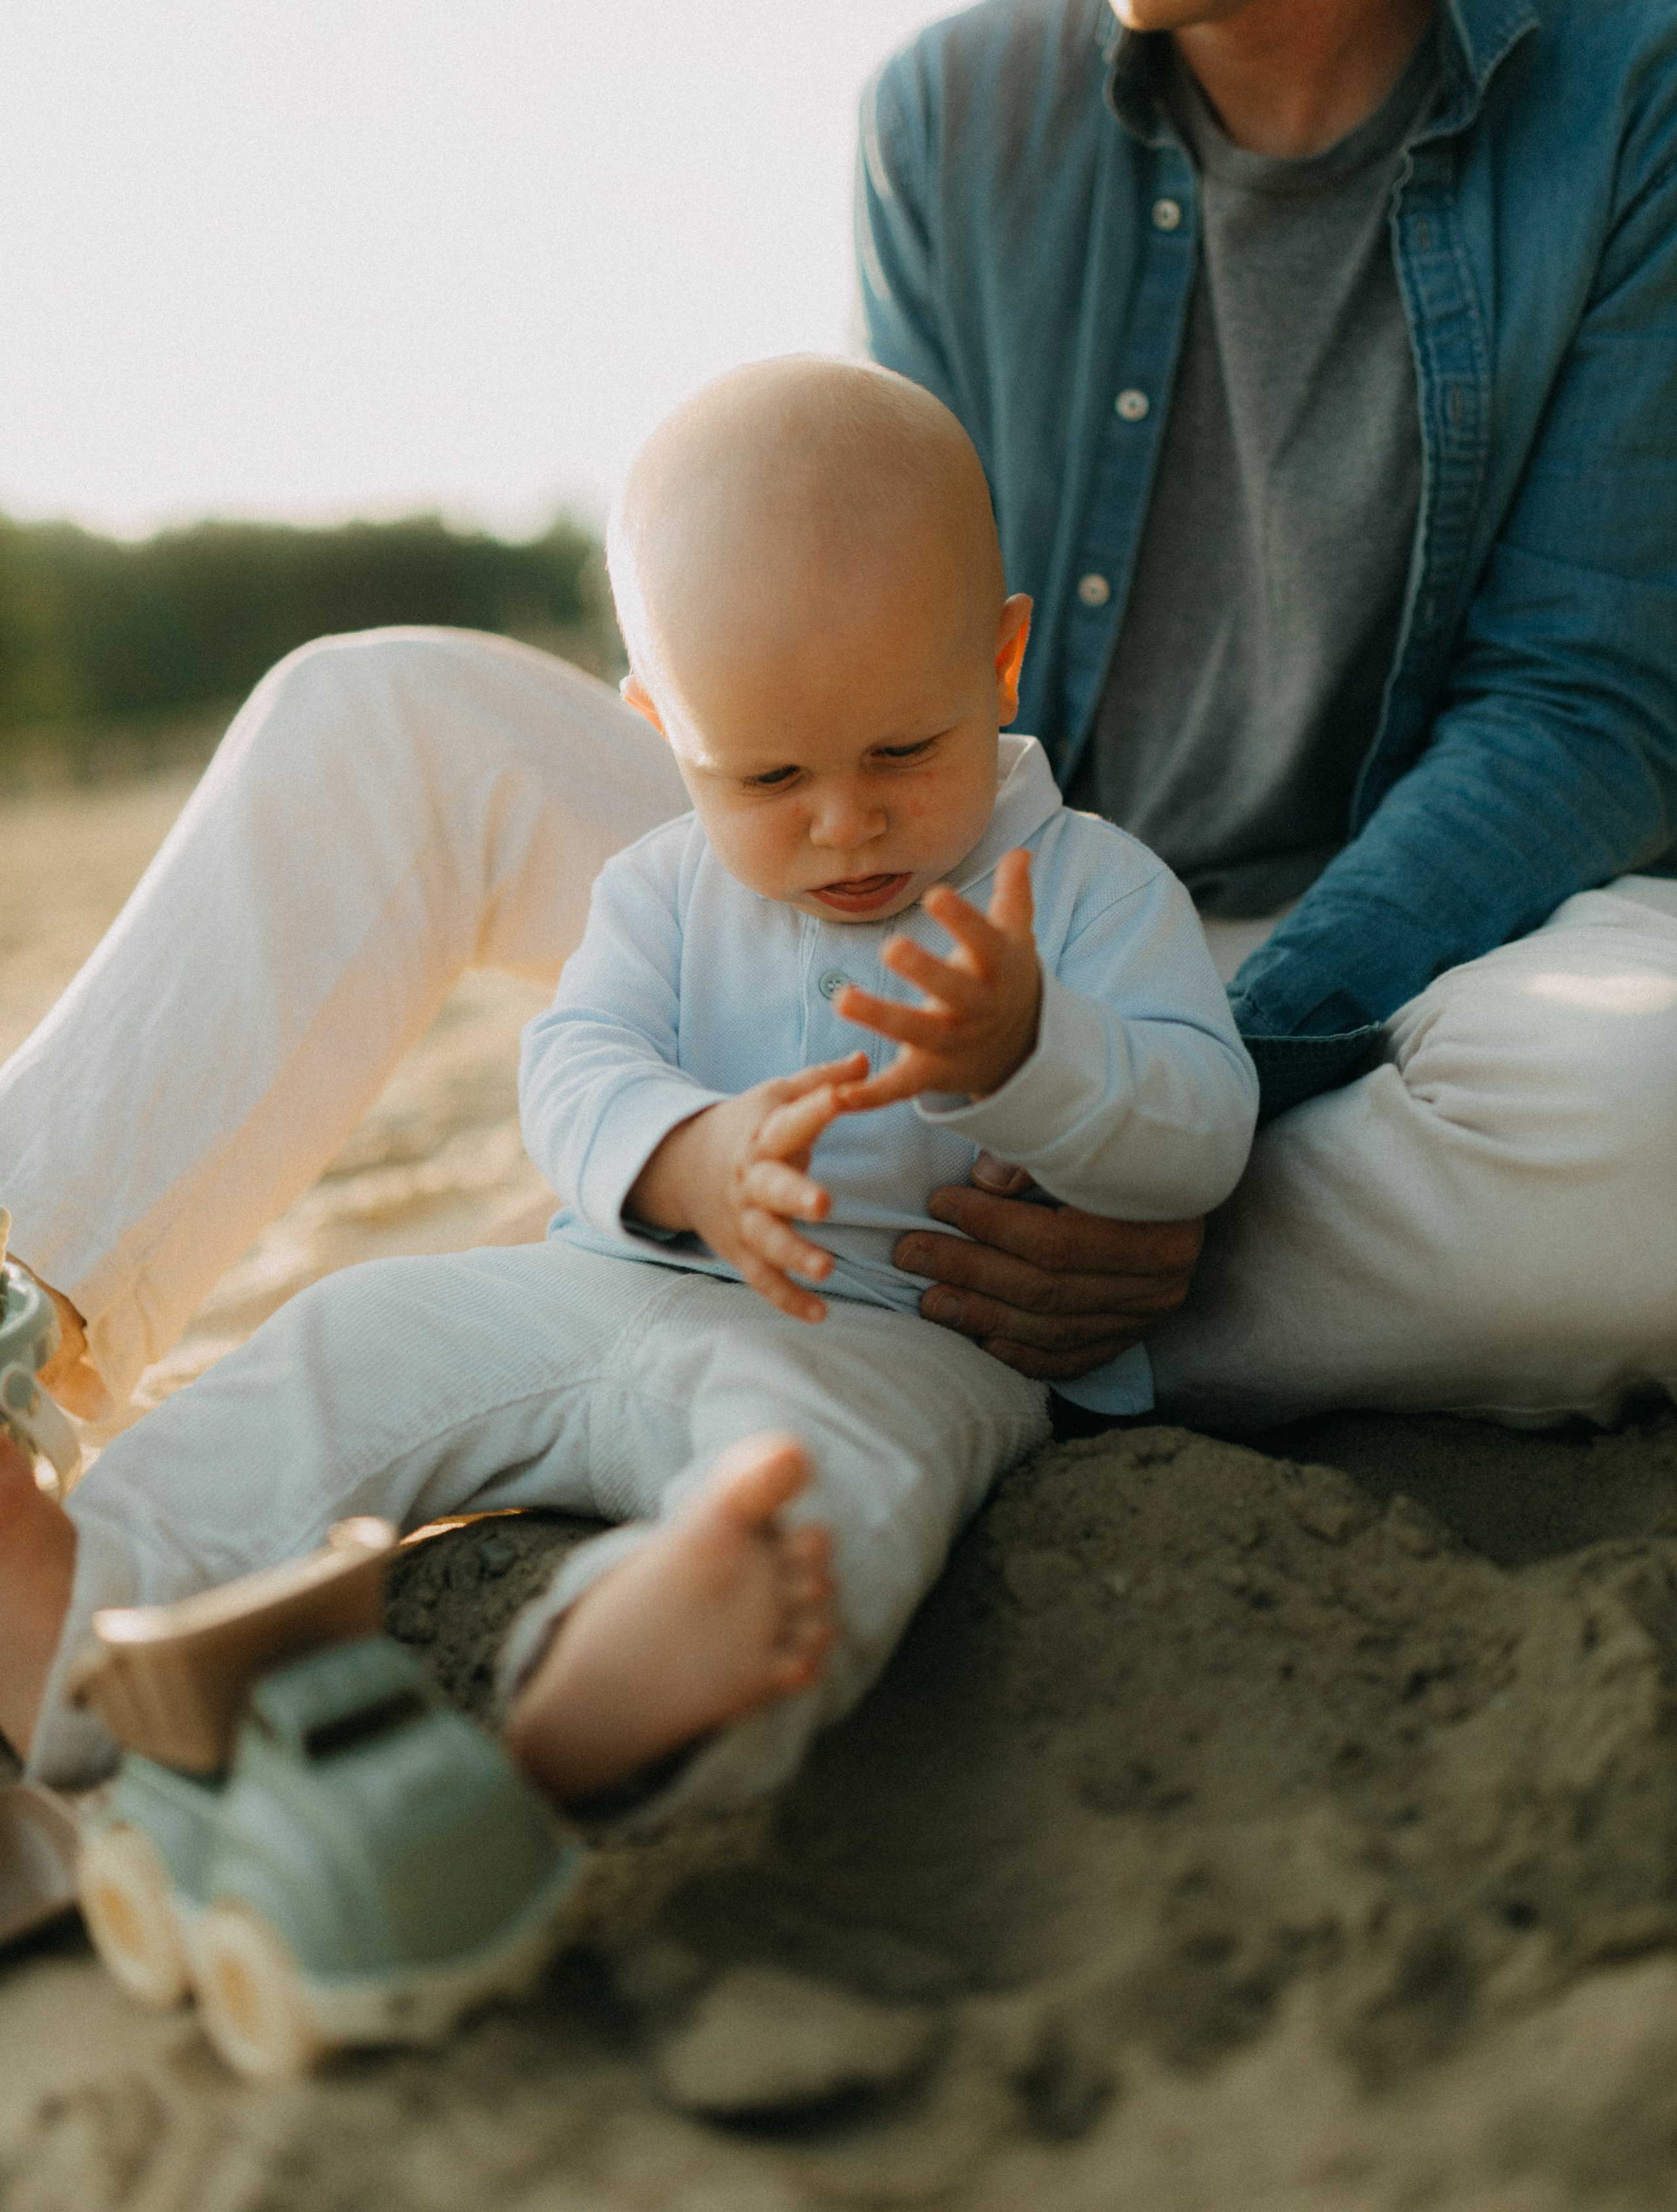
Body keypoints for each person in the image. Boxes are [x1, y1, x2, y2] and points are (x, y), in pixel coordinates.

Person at [3, 0, 1676, 1473]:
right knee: (375, 720)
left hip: (1380, 965)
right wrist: (1019, 1067)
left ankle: (924, 1281)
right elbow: (875, 657)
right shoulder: (944, 122)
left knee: (1649, 1115)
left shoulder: (1639, 93)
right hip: (931, 893)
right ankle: (22, 1310)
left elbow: (1582, 706)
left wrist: (1188, 1091)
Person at [4, 360, 1256, 1802]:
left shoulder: (1084, 890)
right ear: (661, 730)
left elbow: (1199, 1135)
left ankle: (623, 1688)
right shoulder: (659, 886)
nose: (846, 824)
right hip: (596, 1282)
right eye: (765, 777)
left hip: (895, 1340)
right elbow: (572, 1063)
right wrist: (687, 1159)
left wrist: (1034, 1055)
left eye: (903, 751)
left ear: (996, 662)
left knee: (825, 1491)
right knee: (352, 1335)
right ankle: (87, 1607)